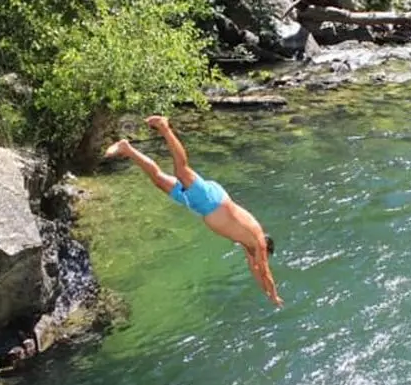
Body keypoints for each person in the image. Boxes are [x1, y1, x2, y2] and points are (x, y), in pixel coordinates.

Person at [104, 116, 282, 307]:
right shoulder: (257, 242)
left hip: (199, 205)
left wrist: (265, 291)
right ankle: (164, 127)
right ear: (265, 245)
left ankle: (126, 149)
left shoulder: (248, 244)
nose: (258, 259)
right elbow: (264, 271)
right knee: (181, 170)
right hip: (211, 201)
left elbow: (255, 269)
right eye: (262, 256)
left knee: (158, 179)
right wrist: (273, 295)